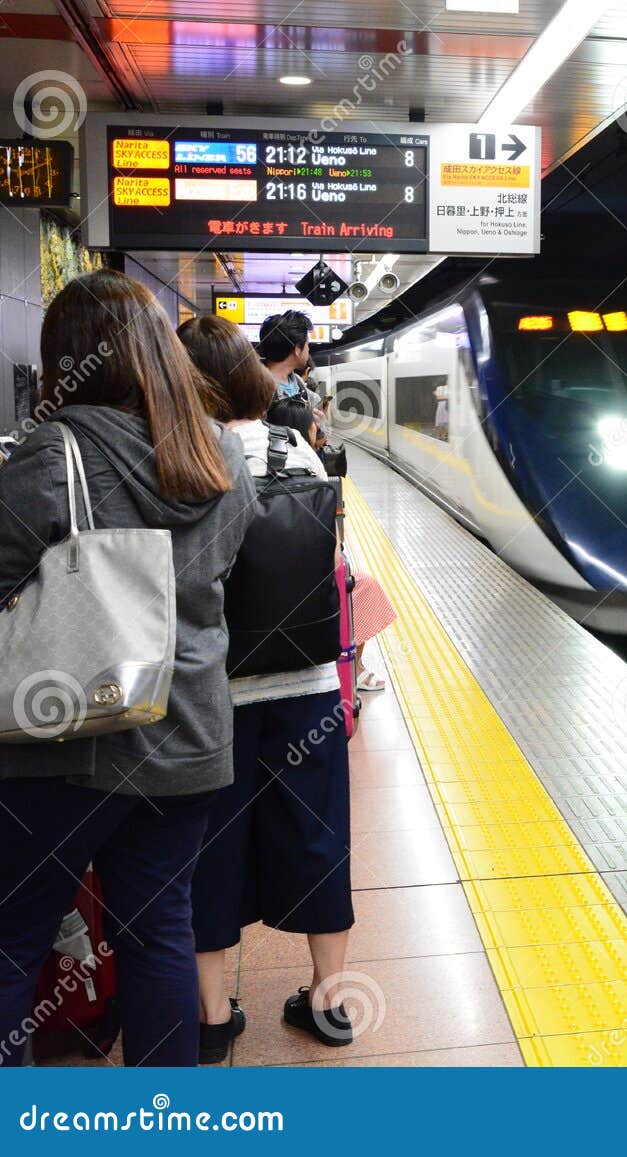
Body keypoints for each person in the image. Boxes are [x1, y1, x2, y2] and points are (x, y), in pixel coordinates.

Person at [0, 270, 254, 1067]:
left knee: (12, 940)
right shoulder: (223, 453)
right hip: (187, 737)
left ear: (69, 359)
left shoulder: (58, 448)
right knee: (159, 934)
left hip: (67, 742)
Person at [177, 315, 357, 1062]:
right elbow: (332, 563)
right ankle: (328, 1002)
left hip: (215, 690)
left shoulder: (187, 458)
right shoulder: (300, 453)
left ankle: (214, 1015)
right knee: (318, 835)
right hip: (306, 682)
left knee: (208, 848)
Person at [257, 311, 316, 402]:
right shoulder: (258, 389)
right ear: (297, 350)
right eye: (307, 344)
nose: (308, 349)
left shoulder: (298, 382)